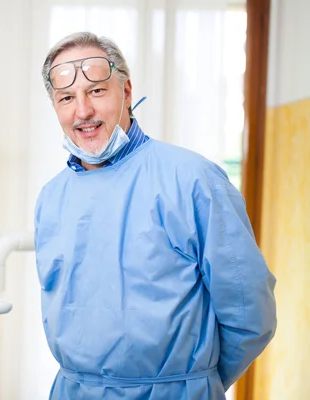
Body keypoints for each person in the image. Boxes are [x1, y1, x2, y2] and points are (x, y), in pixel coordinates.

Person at [34, 32, 277, 400]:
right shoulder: (51, 197)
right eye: (67, 98)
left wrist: (195, 382)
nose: (82, 111)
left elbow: (249, 315)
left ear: (126, 91)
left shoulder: (193, 180)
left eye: (96, 91)